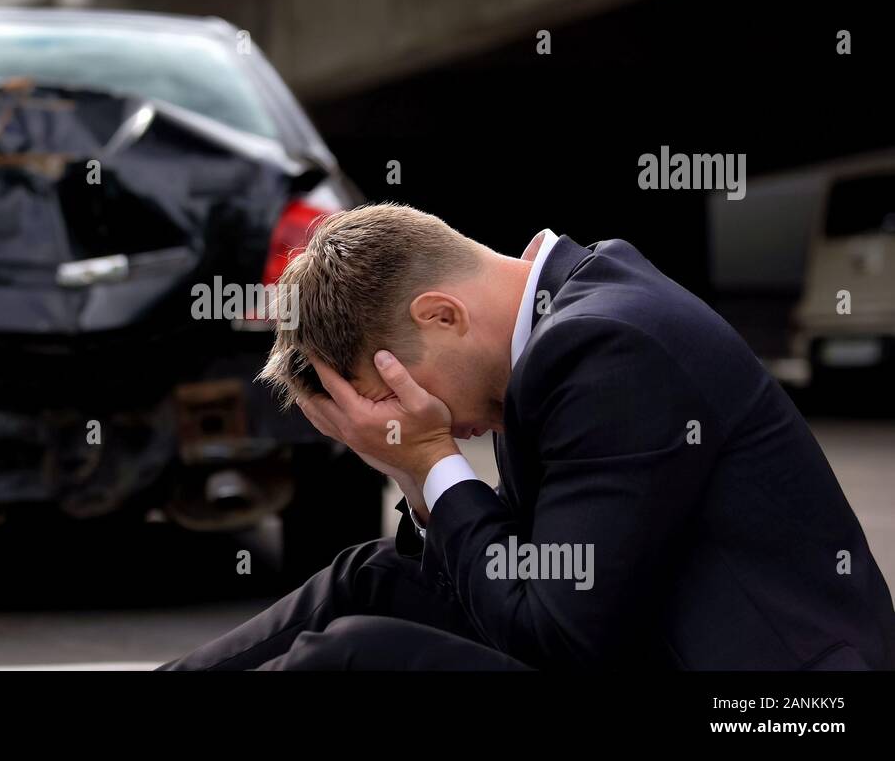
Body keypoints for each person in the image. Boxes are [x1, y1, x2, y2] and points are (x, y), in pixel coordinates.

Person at [160, 203, 895, 670]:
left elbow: (555, 636)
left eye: (399, 392)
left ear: (441, 315)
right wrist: (418, 475)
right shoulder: (555, 326)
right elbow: (525, 577)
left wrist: (430, 458)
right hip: (649, 646)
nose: (418, 415)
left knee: (354, 658)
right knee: (373, 577)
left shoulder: (606, 345)